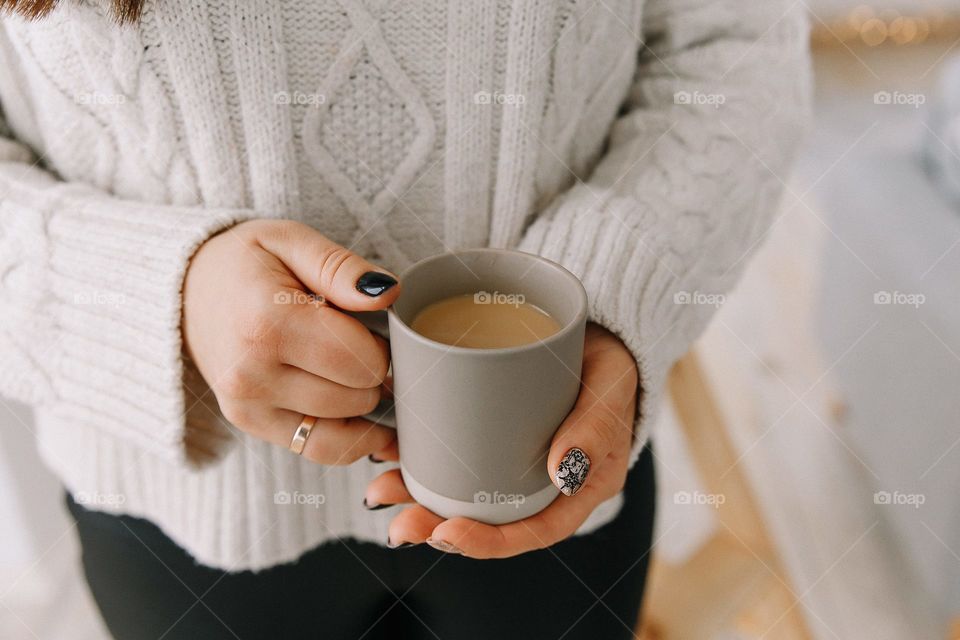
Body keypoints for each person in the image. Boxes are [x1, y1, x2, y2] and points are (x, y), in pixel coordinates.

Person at [0, 0, 809, 637]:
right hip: (178, 510)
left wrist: (605, 285)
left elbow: (738, 46)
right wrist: (164, 295)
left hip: (544, 473)